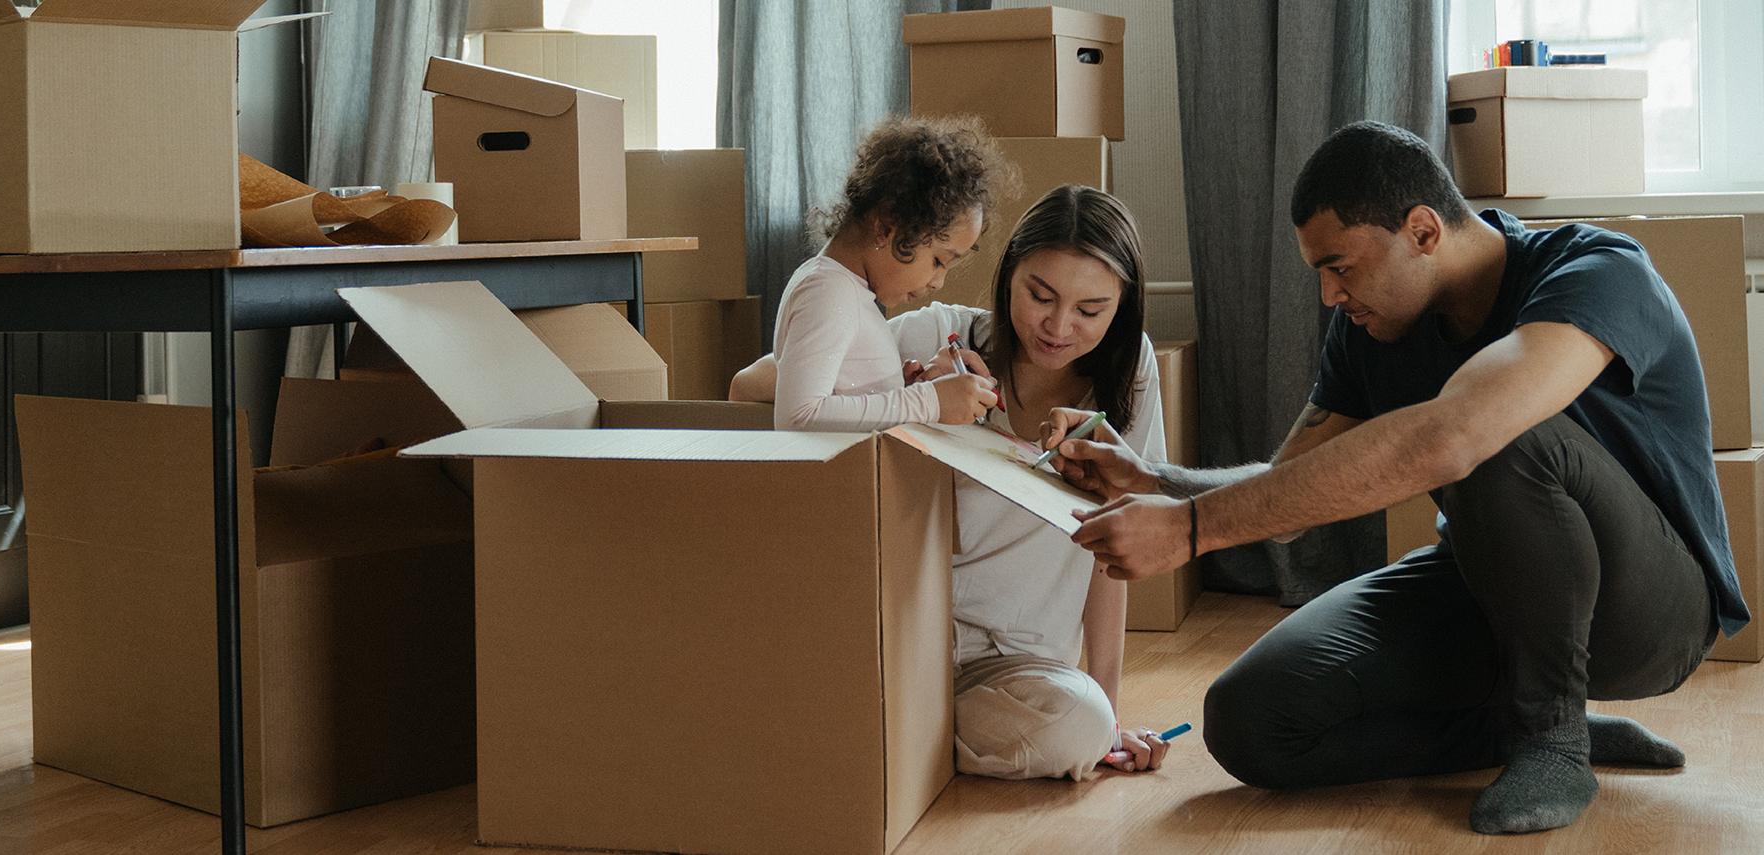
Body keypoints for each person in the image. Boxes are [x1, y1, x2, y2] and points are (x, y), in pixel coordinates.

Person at [1047, 121, 1748, 832]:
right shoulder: (1370, 328)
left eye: (1341, 266)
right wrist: (1157, 483)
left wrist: (1192, 531)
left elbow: (1460, 434)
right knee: (1251, 719)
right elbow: (1291, 489)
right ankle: (1512, 726)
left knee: (1497, 430)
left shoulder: (1598, 270)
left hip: (1652, 612)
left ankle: (1553, 739)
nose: (1327, 295)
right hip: (1487, 587)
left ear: (1422, 230)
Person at [735, 185, 1173, 778]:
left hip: (1018, 666)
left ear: (1121, 308)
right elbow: (751, 386)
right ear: (1007, 275)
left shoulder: (1131, 376)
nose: (1058, 326)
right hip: (905, 638)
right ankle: (893, 735)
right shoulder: (936, 334)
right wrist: (910, 395)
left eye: (1090, 311)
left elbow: (1112, 549)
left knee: (1082, 726)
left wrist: (1111, 714)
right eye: (1039, 295)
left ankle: (887, 739)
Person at [769, 114, 1002, 431]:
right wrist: (928, 401)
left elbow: (844, 402)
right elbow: (798, 416)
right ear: (886, 227)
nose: (939, 282)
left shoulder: (846, 290)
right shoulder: (829, 291)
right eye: (938, 261)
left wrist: (899, 391)